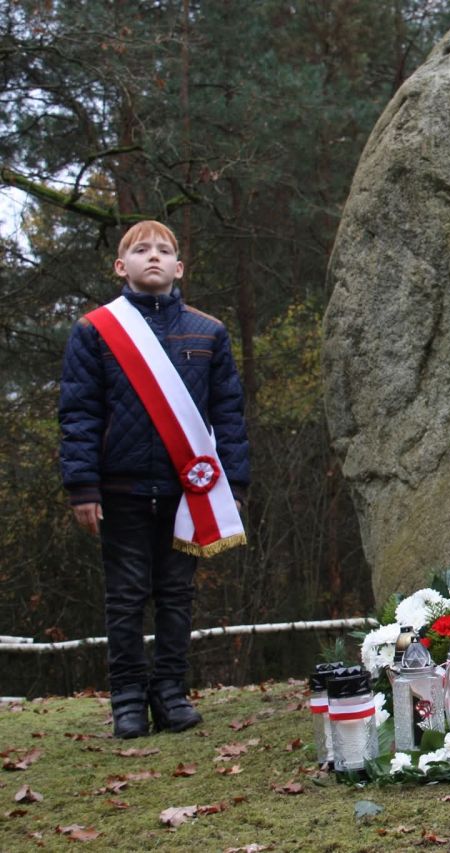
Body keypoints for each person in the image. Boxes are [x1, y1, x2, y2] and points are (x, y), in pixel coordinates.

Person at [59, 221, 249, 738]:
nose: (154, 257)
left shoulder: (209, 332)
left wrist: (233, 484)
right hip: (119, 490)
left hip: (187, 492)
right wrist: (82, 486)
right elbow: (79, 413)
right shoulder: (94, 331)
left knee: (175, 593)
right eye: (141, 250)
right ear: (121, 266)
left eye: (165, 250)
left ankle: (169, 693)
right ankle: (126, 700)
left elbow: (228, 413)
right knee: (124, 595)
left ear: (179, 267)